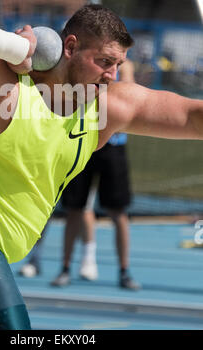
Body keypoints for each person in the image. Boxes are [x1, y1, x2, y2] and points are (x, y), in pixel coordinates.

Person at [0, 4, 203, 330]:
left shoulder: (104, 108)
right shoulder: (2, 84)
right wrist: (13, 46)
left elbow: (190, 116)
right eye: (103, 61)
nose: (112, 75)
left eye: (118, 65)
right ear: (70, 48)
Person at [20, 61, 140, 290]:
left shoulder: (122, 68)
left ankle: (124, 271)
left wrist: (117, 78)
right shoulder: (85, 64)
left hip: (112, 146)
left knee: (118, 212)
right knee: (74, 208)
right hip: (82, 138)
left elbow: (129, 99)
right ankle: (64, 268)